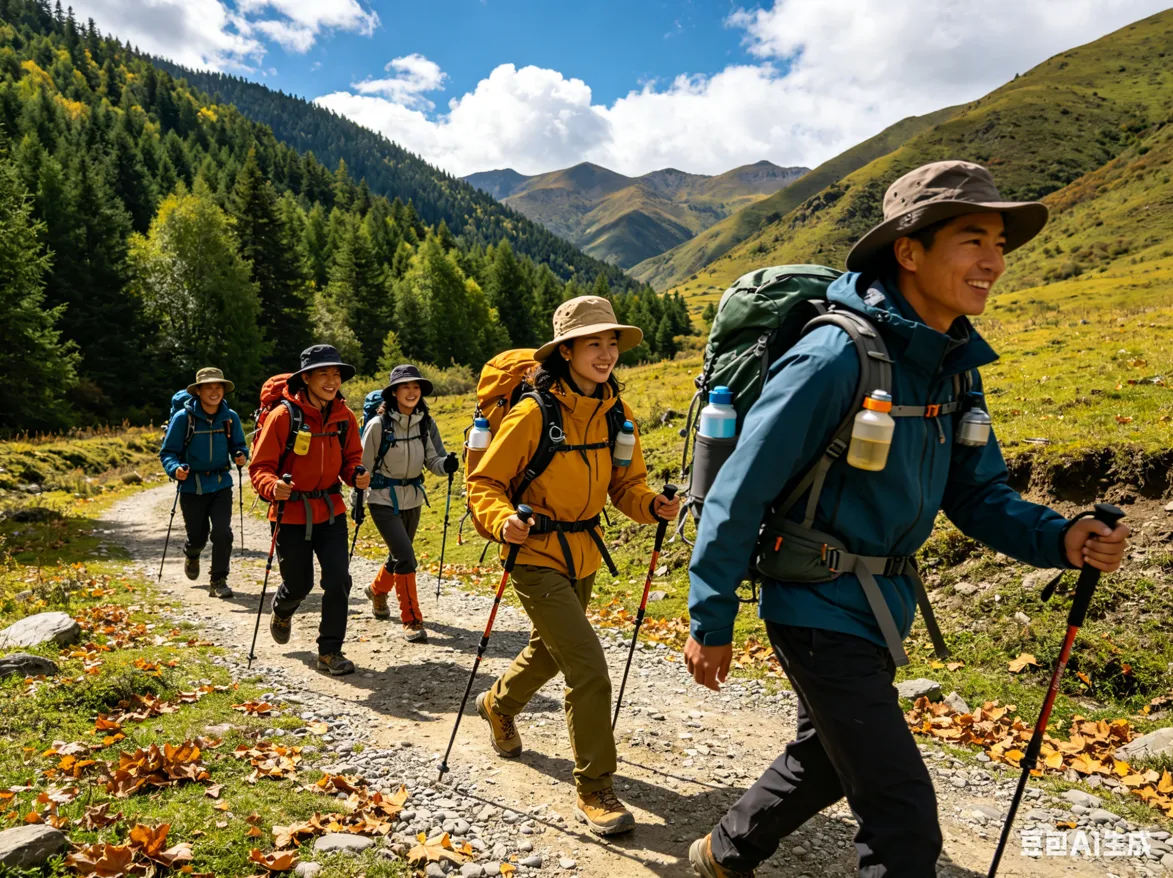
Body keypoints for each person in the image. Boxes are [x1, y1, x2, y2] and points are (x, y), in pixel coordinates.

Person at [684, 161, 1130, 878]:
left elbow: (977, 493)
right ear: (908, 251)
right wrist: (711, 619)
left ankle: (722, 851)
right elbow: (740, 492)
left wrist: (1059, 536)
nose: (992, 260)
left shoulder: (952, 367)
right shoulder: (832, 356)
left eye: (999, 244)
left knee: (830, 756)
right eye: (971, 238)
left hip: (876, 603)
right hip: (812, 602)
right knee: (902, 819)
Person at [468, 296, 681, 837]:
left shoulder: (616, 412)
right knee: (587, 664)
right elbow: (484, 484)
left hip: (583, 550)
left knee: (551, 649)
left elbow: (625, 487)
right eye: (595, 343)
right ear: (566, 350)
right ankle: (595, 788)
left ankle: (498, 703)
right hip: (534, 552)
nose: (607, 353)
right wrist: (501, 522)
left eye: (613, 343)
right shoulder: (533, 412)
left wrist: (650, 504)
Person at [249, 344, 371, 677]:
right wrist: (273, 486)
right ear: (306, 378)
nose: (332, 381)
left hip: (330, 510)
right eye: (324, 374)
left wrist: (356, 475)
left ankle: (329, 651)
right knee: (299, 584)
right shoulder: (283, 415)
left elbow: (351, 460)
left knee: (338, 580)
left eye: (336, 374)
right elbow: (259, 466)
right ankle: (283, 608)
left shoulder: (344, 417)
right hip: (290, 513)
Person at [361, 363, 459, 641]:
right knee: (406, 557)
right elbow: (361, 469)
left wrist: (447, 465)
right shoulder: (377, 426)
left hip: (413, 499)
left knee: (398, 556)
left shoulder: (425, 423)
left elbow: (433, 461)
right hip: (381, 499)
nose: (412, 391)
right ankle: (412, 620)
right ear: (393, 392)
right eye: (406, 386)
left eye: (416, 386)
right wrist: (356, 502)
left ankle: (377, 591)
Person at [159, 367, 248, 599]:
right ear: (198, 391)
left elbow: (239, 444)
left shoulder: (230, 418)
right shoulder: (183, 419)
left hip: (220, 484)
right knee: (198, 535)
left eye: (218, 387)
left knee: (222, 533)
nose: (214, 391)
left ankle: (218, 580)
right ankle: (192, 552)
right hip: (192, 487)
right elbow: (168, 452)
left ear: (223, 390)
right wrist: (174, 469)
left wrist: (240, 454)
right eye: (208, 387)